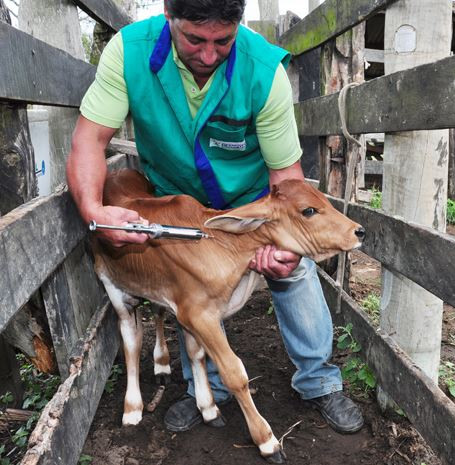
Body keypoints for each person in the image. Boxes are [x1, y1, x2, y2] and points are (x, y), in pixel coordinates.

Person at [66, 0, 363, 434]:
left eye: (222, 41)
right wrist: (95, 214)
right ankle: (205, 390)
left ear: (238, 26)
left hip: (252, 203)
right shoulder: (128, 54)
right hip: (179, 201)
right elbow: (89, 140)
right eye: (194, 40)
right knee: (190, 287)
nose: (208, 55)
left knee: (293, 271)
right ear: (169, 16)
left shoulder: (264, 71)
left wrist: (288, 245)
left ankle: (318, 382)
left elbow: (287, 176)